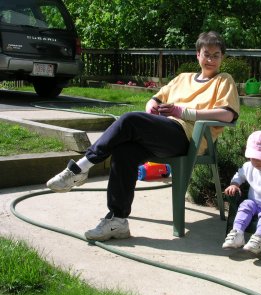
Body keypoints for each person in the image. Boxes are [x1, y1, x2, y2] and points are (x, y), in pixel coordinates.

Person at [46, 31, 240, 241]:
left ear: (222, 57)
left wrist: (183, 112)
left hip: (187, 137)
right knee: (124, 151)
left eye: (216, 55)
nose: (211, 59)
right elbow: (155, 99)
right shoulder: (183, 78)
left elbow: (228, 114)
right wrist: (152, 110)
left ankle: (80, 167)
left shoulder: (224, 80)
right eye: (206, 54)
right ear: (197, 55)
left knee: (129, 119)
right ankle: (117, 220)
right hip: (162, 130)